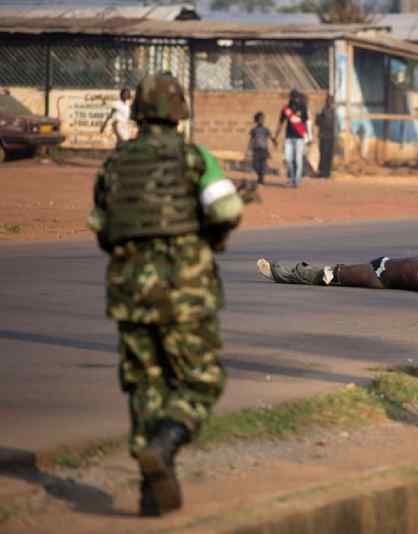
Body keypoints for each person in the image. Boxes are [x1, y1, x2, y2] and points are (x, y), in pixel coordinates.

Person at [87, 72, 243, 517]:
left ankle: (151, 491)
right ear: (179, 112)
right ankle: (167, 440)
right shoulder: (194, 158)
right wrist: (211, 237)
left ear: (137, 111)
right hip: (185, 291)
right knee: (201, 379)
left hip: (129, 293)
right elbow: (227, 209)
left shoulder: (115, 165)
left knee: (145, 385)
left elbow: (101, 228)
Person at [255, 255, 418, 296]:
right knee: (332, 272)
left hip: (377, 277)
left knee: (330, 275)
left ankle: (280, 272)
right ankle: (286, 271)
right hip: (384, 261)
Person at [275, 88, 309, 187]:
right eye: (293, 97)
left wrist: (307, 137)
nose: (294, 99)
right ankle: (291, 178)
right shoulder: (285, 109)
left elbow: (306, 123)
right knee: (288, 159)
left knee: (298, 160)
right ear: (290, 97)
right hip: (289, 138)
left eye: (296, 97)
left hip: (299, 138)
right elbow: (280, 123)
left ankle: (297, 181)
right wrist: (276, 136)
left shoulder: (302, 107)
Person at [315, 94, 336, 178]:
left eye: (331, 101)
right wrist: (320, 116)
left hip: (331, 136)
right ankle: (322, 172)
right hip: (323, 136)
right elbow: (317, 122)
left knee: (329, 155)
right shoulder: (322, 111)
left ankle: (327, 172)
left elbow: (335, 125)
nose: (330, 103)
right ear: (326, 101)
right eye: (329, 101)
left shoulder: (334, 112)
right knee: (323, 154)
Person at [247, 111, 271, 185]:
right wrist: (249, 149)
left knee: (263, 164)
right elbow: (251, 140)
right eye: (260, 119)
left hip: (264, 149)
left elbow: (270, 138)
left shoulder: (266, 130)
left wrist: (274, 142)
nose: (261, 120)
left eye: (263, 119)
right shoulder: (253, 130)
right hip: (256, 149)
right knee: (255, 165)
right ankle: (259, 176)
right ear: (256, 120)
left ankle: (261, 178)